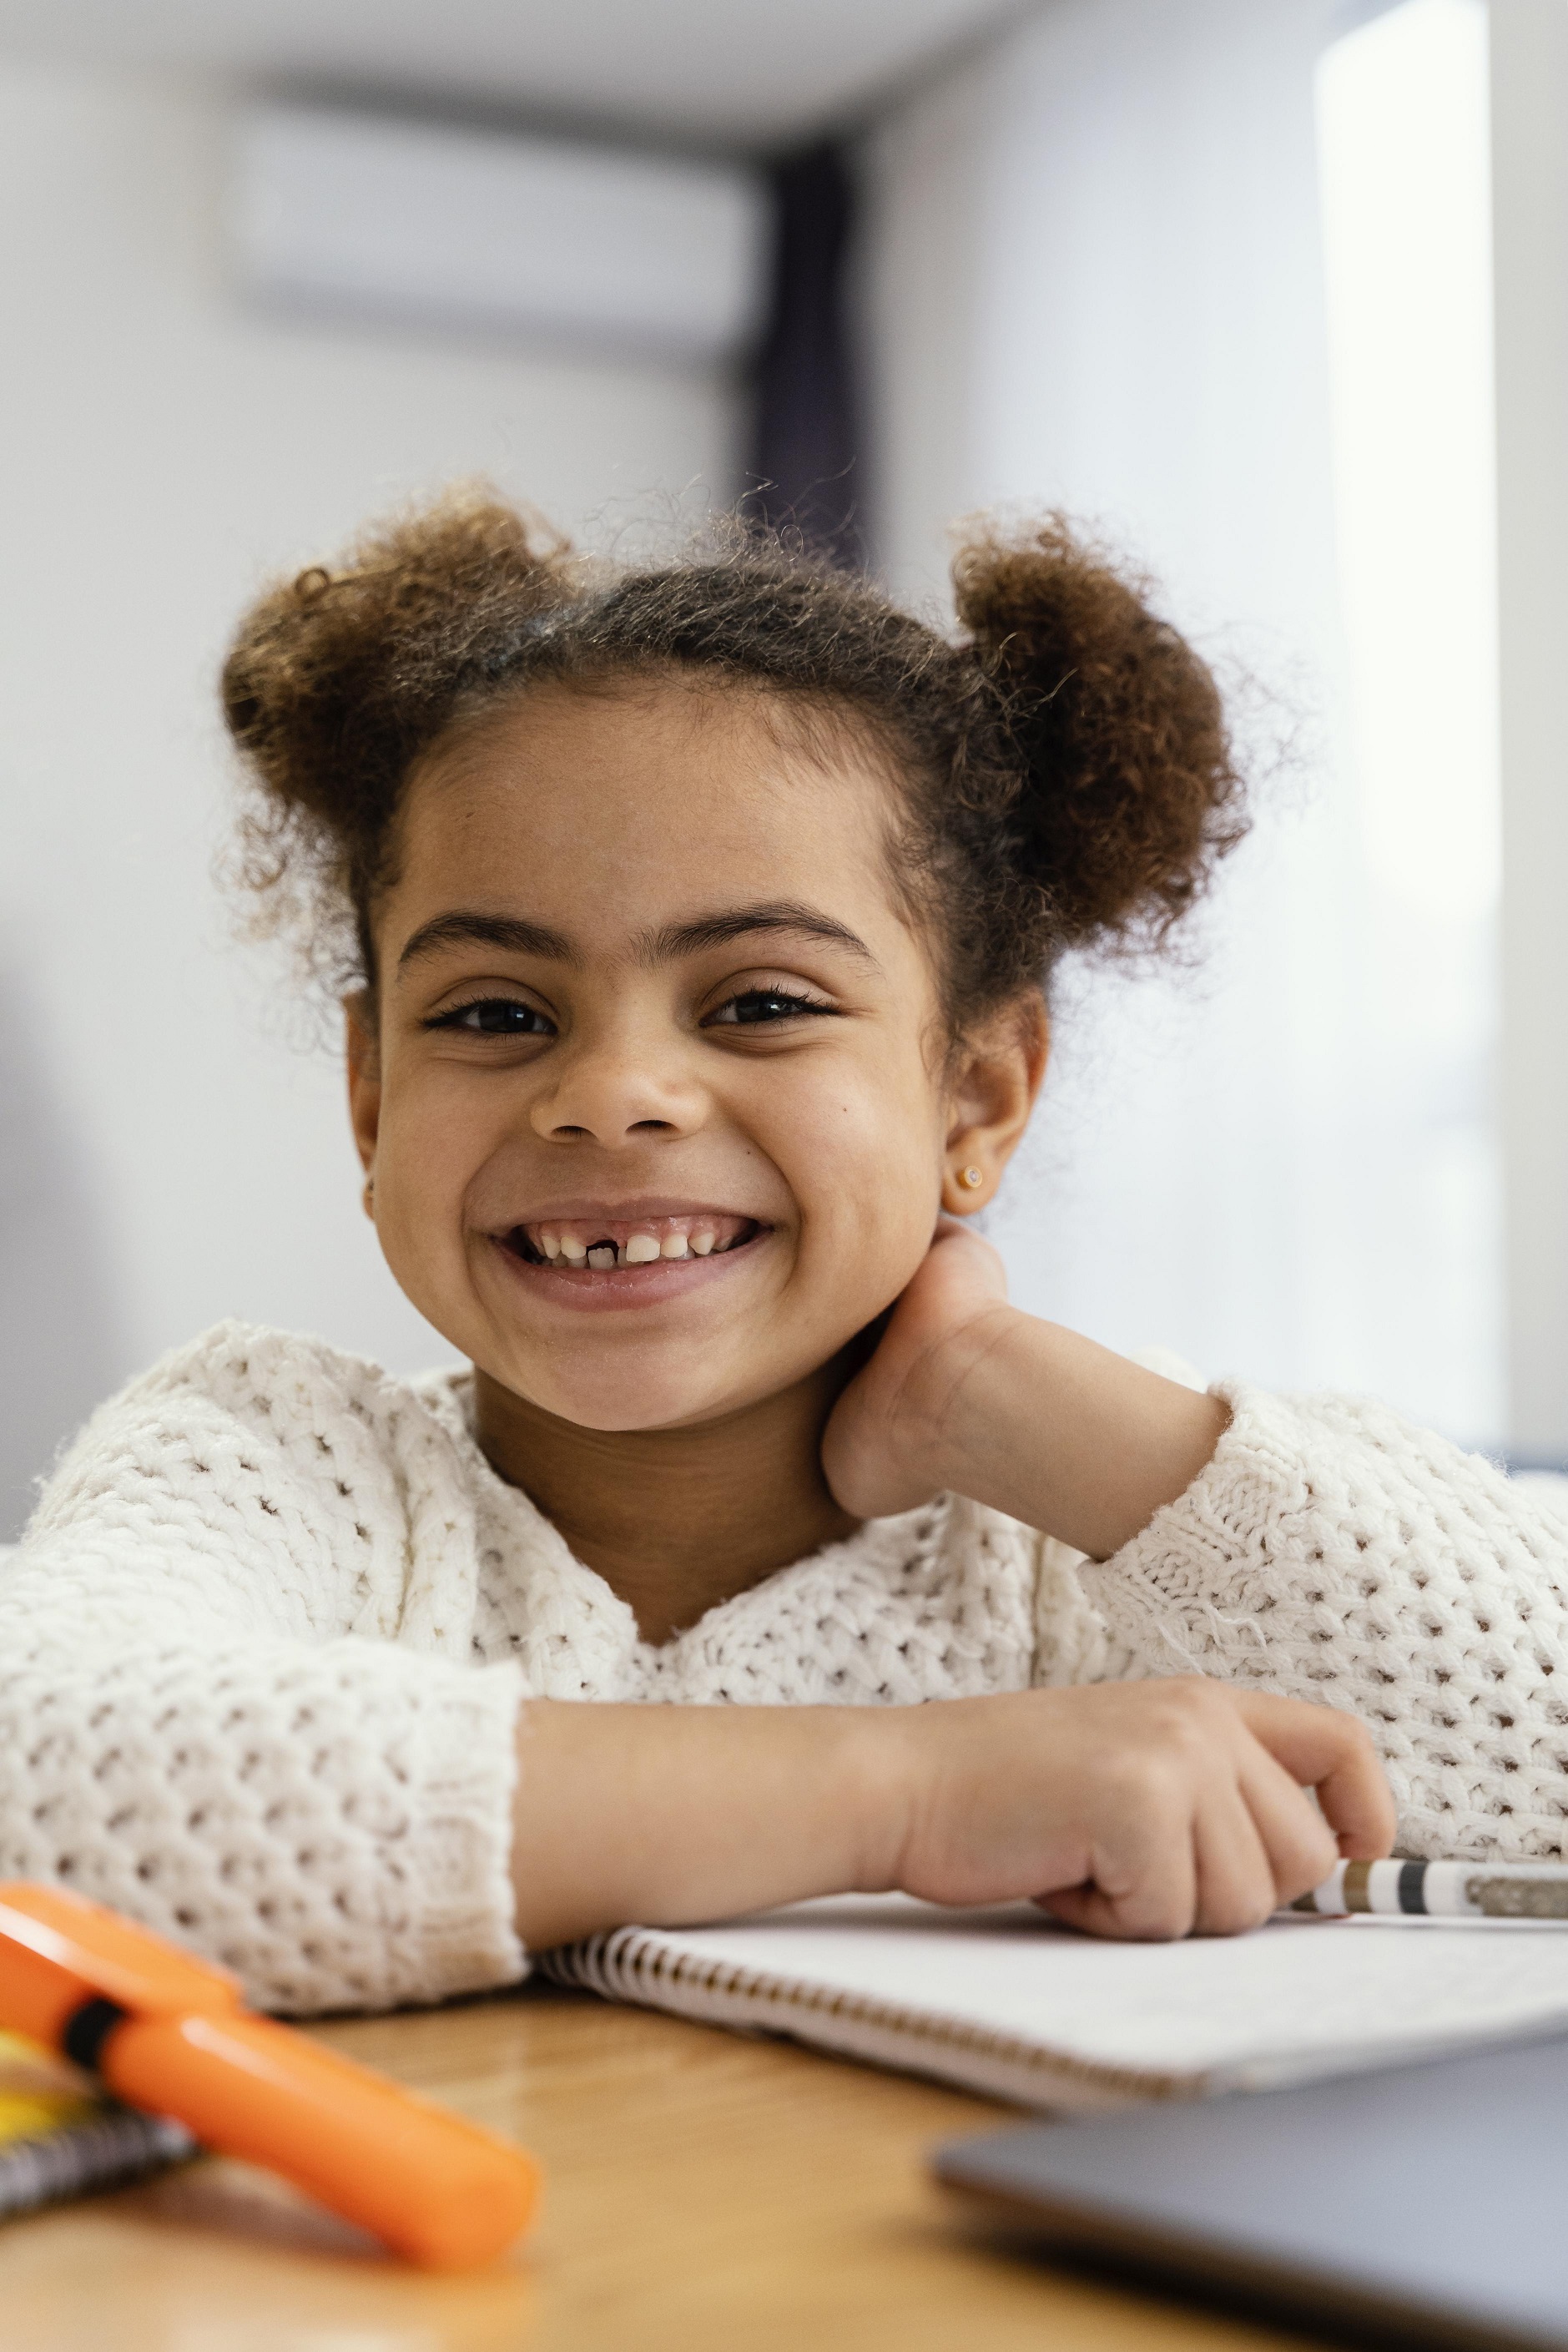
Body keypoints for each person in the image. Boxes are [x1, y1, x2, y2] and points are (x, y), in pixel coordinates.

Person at [4, 492, 1563, 2019]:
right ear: (371, 1093)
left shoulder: (1075, 1545)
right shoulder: (276, 1458)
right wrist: (908, 1795)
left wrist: (1008, 1397)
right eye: (493, 1012)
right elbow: (43, 1783)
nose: (613, 1093)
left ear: (979, 1092)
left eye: (759, 1002)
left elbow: (1535, 1742)